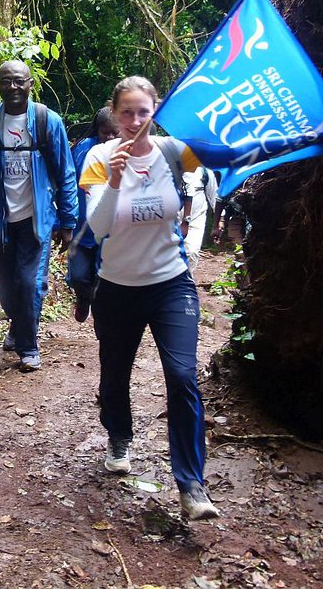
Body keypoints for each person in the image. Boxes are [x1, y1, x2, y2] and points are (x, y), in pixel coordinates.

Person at [77, 76, 219, 521]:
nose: (135, 120)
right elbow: (99, 227)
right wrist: (116, 180)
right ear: (115, 113)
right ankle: (119, 436)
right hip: (117, 287)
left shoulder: (174, 151)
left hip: (170, 283)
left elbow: (223, 152)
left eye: (144, 111)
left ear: (156, 111)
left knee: (182, 375)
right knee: (115, 374)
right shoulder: (99, 158)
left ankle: (191, 485)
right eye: (127, 112)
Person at [0, 60, 78, 372]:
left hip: (36, 219)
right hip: (2, 221)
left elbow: (65, 174)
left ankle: (28, 347)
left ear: (30, 84)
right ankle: (18, 325)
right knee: (2, 284)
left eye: (19, 81)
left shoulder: (47, 122)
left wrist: (68, 222)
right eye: (6, 81)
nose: (13, 87)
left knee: (28, 283)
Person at [66, 106, 118, 322]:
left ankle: (102, 323)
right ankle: (83, 299)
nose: (110, 137)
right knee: (78, 277)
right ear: (97, 130)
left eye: (115, 133)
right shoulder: (82, 149)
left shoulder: (127, 152)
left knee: (102, 281)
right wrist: (63, 220)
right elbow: (67, 182)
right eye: (106, 132)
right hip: (82, 227)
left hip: (111, 231)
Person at [182, 166, 218, 272]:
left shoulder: (205, 172)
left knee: (192, 252)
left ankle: (188, 279)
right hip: (170, 221)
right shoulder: (167, 167)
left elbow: (214, 195)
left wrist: (220, 220)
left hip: (196, 219)